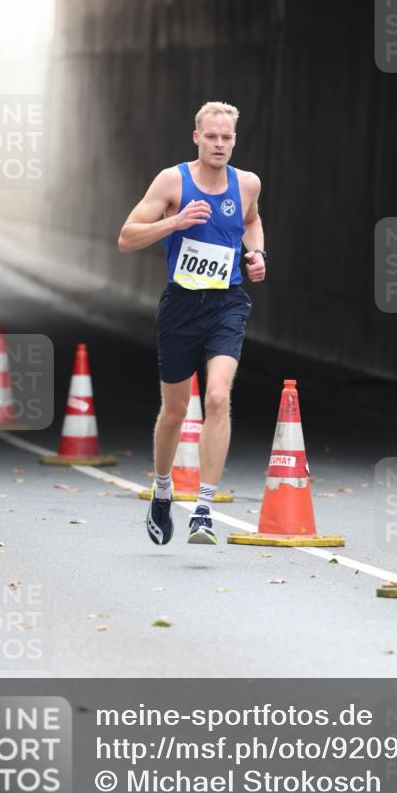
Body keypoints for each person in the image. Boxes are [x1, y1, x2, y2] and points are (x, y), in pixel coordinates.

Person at [118, 102, 266, 545]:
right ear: (196, 137)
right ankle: (163, 491)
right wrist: (176, 222)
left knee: (218, 397)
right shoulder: (171, 181)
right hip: (181, 305)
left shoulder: (247, 184)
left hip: (227, 303)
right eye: (212, 136)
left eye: (227, 137)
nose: (220, 144)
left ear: (234, 140)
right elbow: (126, 237)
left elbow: (253, 222)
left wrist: (258, 254)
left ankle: (203, 509)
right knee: (176, 411)